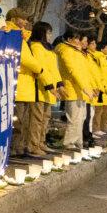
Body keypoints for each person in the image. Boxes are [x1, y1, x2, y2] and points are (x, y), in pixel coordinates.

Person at [6, 8, 43, 157]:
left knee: (23, 121)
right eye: (23, 19)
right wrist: (39, 68)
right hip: (19, 85)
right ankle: (14, 150)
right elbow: (25, 58)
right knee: (17, 121)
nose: (26, 22)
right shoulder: (12, 33)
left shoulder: (22, 37)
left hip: (26, 85)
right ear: (14, 19)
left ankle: (19, 148)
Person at [56, 30, 96, 151]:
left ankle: (78, 141)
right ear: (69, 40)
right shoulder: (66, 51)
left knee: (81, 117)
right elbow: (74, 71)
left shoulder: (75, 51)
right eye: (77, 39)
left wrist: (89, 88)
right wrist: (85, 88)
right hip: (73, 88)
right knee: (74, 118)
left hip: (80, 89)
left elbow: (85, 72)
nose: (79, 42)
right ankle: (69, 142)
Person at [28, 22, 62, 156]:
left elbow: (54, 69)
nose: (50, 35)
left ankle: (41, 143)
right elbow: (41, 69)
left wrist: (59, 85)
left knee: (45, 118)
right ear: (41, 33)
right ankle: (33, 145)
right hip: (40, 89)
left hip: (49, 90)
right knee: (37, 119)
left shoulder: (49, 49)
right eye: (48, 32)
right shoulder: (36, 47)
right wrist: (49, 86)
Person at [91, 41, 107, 135]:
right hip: (102, 89)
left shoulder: (105, 60)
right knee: (98, 111)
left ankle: (104, 128)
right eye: (106, 48)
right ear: (101, 49)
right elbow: (99, 75)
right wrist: (104, 86)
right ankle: (96, 129)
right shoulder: (98, 57)